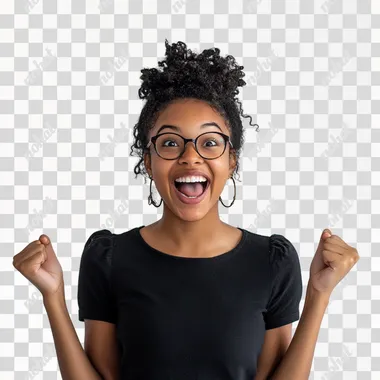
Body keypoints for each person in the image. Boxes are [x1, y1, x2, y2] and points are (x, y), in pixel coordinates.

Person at [13, 39, 360, 380]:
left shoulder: (271, 262)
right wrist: (53, 298)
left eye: (210, 142)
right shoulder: (108, 258)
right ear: (148, 162)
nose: (190, 156)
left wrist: (318, 295)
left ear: (231, 160)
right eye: (169, 143)